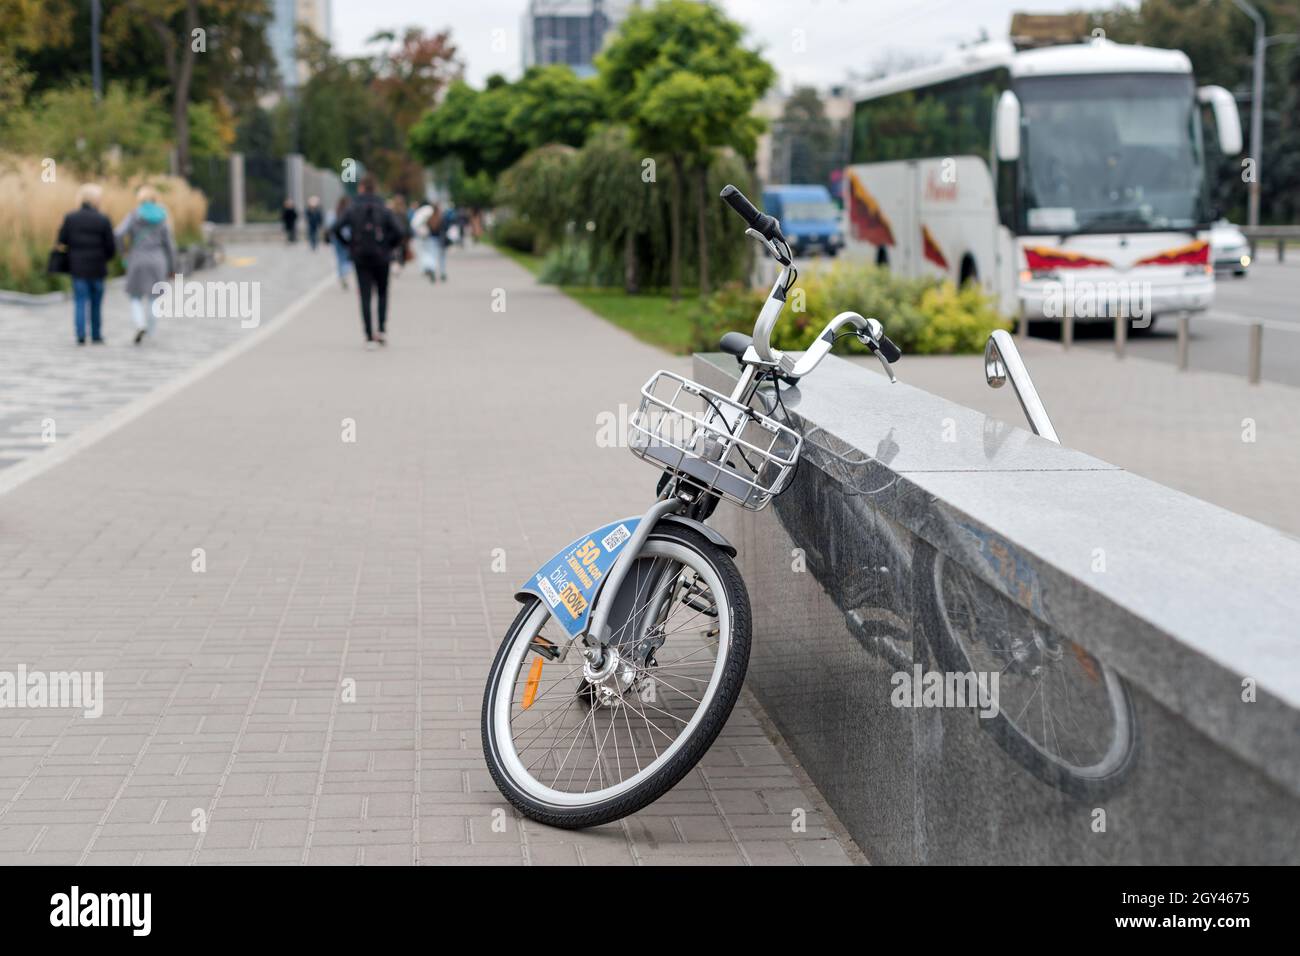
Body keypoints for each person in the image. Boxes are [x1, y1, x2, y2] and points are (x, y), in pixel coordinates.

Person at [336, 174, 406, 349]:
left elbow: (335, 228)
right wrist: (389, 246)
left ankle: (368, 336)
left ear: (361, 188)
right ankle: (381, 329)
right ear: (375, 189)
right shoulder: (384, 209)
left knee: (365, 296)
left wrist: (348, 245)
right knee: (382, 293)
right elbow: (400, 232)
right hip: (382, 257)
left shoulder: (352, 209)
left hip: (360, 257)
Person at [115, 185, 176, 345]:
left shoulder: (134, 215)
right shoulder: (163, 216)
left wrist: (124, 252)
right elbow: (170, 245)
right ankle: (150, 331)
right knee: (153, 298)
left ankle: (140, 324)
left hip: (137, 259)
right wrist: (173, 267)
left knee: (135, 297)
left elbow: (119, 233)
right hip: (158, 260)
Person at [56, 183, 116, 345]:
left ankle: (80, 334)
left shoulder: (70, 218)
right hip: (97, 266)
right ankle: (96, 334)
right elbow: (111, 246)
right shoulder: (103, 219)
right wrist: (105, 258)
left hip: (78, 267)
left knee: (80, 301)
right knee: (96, 302)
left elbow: (61, 241)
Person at [325, 196, 352, 289]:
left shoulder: (332, 213)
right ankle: (345, 274)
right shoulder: (349, 212)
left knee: (340, 258)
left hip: (336, 239)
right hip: (347, 238)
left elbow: (329, 226)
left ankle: (341, 275)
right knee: (347, 258)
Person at [409, 198, 438, 283]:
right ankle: (431, 267)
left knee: (424, 252)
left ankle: (427, 267)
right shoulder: (432, 210)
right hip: (433, 234)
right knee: (432, 252)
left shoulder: (420, 212)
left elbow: (414, 224)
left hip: (422, 235)